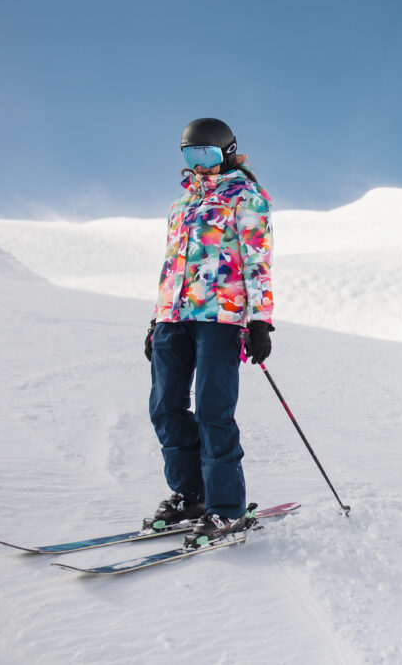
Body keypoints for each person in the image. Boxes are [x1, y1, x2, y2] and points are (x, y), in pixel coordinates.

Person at [143, 117, 274, 539]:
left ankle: (227, 508)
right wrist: (156, 317)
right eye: (190, 155)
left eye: (208, 154)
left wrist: (259, 320)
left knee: (213, 414)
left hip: (221, 317)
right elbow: (170, 266)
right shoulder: (179, 206)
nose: (200, 165)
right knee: (165, 408)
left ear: (228, 151)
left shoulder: (247, 197)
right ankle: (190, 496)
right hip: (173, 317)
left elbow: (258, 260)